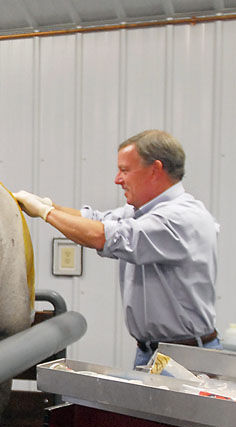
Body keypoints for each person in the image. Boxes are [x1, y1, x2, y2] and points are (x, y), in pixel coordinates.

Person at [14, 129, 220, 368]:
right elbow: (96, 220)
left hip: (186, 358)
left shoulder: (181, 217)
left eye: (125, 170)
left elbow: (101, 235)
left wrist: (46, 214)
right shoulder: (143, 212)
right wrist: (47, 205)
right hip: (153, 353)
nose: (117, 179)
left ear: (155, 169)